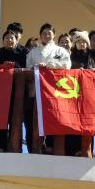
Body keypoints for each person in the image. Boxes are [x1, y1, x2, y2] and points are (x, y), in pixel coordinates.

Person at [25, 24, 71, 153]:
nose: (46, 35)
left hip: (54, 91)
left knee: (52, 119)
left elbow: (67, 65)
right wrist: (36, 67)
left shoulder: (60, 51)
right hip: (35, 91)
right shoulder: (33, 51)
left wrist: (49, 65)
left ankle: (51, 147)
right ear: (40, 35)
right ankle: (34, 148)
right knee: (33, 120)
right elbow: (27, 66)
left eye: (49, 33)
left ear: (54, 35)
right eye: (44, 33)